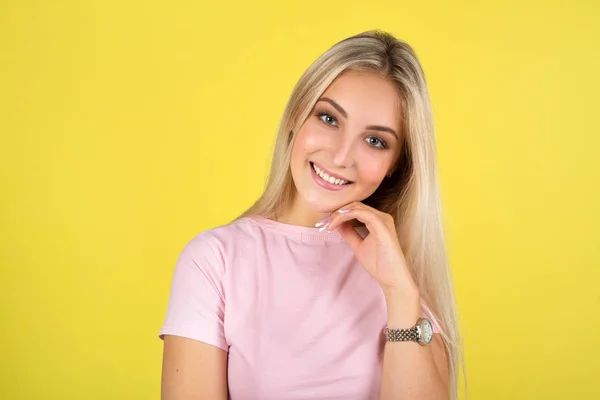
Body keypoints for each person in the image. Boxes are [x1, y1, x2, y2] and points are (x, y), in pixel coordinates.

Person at [159, 30, 464, 400]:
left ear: (395, 166)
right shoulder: (215, 260)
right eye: (328, 118)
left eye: (375, 141)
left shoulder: (404, 275)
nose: (340, 156)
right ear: (295, 116)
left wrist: (400, 294)